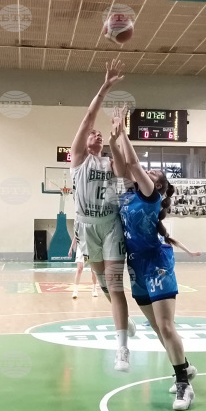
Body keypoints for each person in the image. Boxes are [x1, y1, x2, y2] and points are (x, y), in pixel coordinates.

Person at [111, 106, 200, 410]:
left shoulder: (151, 195)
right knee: (158, 329)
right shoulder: (129, 193)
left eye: (154, 174)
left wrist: (124, 132)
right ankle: (184, 367)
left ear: (159, 185)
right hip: (136, 264)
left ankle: (184, 385)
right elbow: (122, 166)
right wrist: (114, 138)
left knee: (166, 326)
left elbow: (133, 163)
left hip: (157, 263)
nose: (147, 174)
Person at [69, 58, 135, 372]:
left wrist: (117, 137)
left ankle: (122, 349)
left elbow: (126, 174)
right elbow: (88, 118)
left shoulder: (109, 162)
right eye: (91, 133)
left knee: (115, 285)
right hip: (86, 228)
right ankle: (125, 324)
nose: (95, 134)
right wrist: (105, 87)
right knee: (105, 284)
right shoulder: (78, 159)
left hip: (110, 226)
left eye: (99, 134)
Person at [68, 233, 98, 299]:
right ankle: (75, 291)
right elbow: (75, 236)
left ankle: (94, 289)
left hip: (90, 248)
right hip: (81, 249)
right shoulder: (78, 226)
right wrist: (71, 248)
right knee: (79, 269)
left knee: (93, 270)